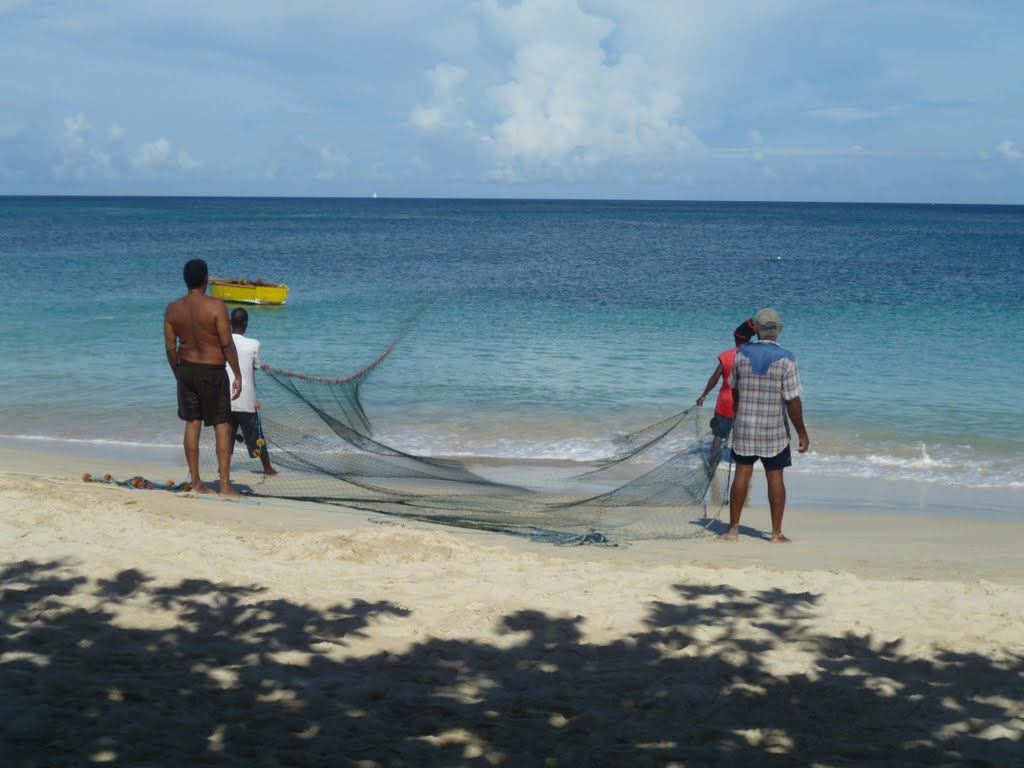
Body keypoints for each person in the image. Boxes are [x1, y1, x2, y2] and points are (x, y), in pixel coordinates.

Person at [724, 308, 809, 543]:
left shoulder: (741, 354)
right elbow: (792, 400)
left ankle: (733, 530)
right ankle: (776, 534)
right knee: (775, 478)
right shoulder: (788, 359)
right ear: (778, 330)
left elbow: (734, 389)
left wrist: (738, 414)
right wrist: (802, 432)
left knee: (742, 473)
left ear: (757, 330)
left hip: (745, 426)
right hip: (774, 430)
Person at [164, 259, 243, 496]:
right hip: (213, 371)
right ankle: (225, 485)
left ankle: (197, 483)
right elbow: (227, 344)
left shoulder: (172, 309)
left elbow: (170, 348)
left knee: (192, 422)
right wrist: (237, 374)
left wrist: (178, 373)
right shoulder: (216, 306)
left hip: (187, 368)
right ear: (206, 279)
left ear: (185, 280)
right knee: (221, 424)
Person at [696, 318, 756, 467]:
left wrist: (703, 395)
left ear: (736, 338)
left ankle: (712, 463)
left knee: (718, 436)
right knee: (742, 436)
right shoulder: (753, 356)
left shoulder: (727, 356)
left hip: (725, 403)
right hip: (745, 403)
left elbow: (714, 378)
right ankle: (743, 464)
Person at [226, 307, 277, 475]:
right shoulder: (254, 344)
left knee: (227, 437)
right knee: (256, 435)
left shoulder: (222, 342)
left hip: (225, 399)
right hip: (246, 399)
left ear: (230, 323)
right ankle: (268, 468)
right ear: (246, 323)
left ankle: (222, 468)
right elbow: (254, 367)